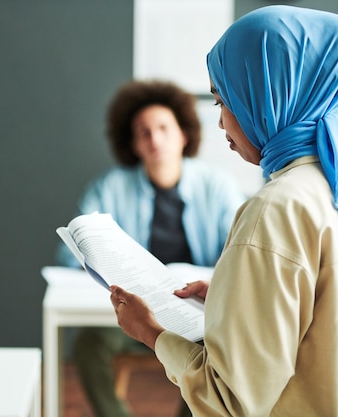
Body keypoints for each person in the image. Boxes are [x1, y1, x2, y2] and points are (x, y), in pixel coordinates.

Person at [110, 5, 338, 416]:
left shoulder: (274, 209)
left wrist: (151, 333)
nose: (220, 121)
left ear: (268, 96)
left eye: (224, 99)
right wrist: (230, 296)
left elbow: (228, 400)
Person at [56, 80, 247, 417]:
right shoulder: (109, 188)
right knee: (89, 344)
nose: (154, 139)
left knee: (221, 348)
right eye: (143, 132)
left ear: (184, 134)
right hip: (131, 312)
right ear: (132, 143)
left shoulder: (217, 186)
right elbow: (71, 260)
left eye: (163, 128)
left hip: (192, 310)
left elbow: (238, 255)